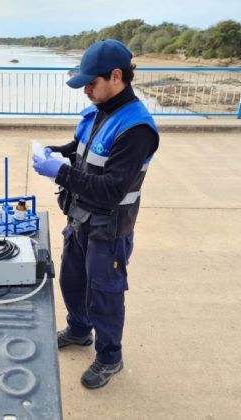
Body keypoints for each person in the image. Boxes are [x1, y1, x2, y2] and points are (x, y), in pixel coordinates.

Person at [32, 39, 159, 389]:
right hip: (80, 216)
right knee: (72, 280)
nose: (86, 90)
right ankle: (78, 330)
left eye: (91, 82)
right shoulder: (96, 110)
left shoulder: (136, 129)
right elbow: (80, 150)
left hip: (110, 225)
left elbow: (112, 188)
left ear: (116, 76)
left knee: (104, 292)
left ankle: (109, 356)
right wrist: (57, 153)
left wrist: (58, 172)